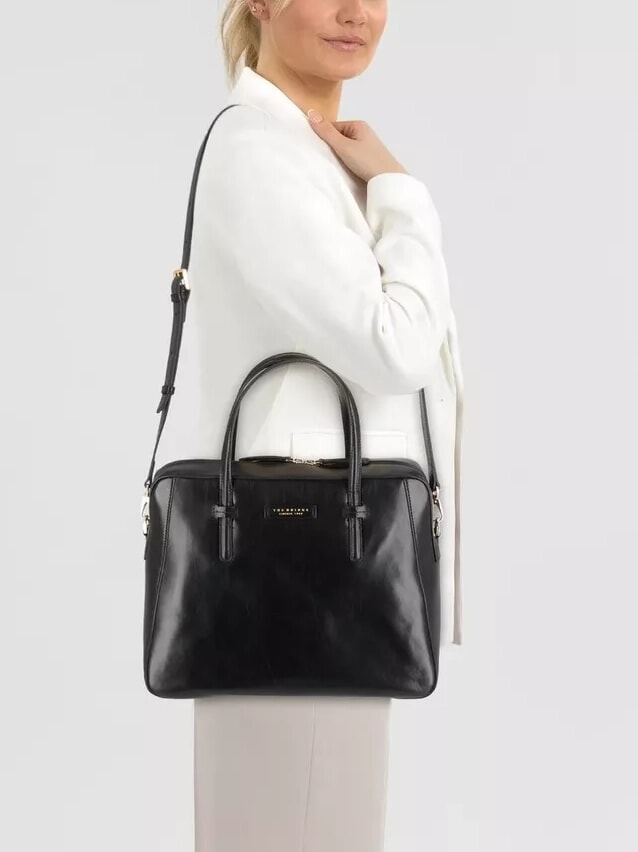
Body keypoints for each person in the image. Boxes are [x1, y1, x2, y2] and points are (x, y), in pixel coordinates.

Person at [184, 1, 465, 849]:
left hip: (325, 581)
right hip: (304, 585)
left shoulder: (304, 157)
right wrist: (402, 193)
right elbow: (396, 345)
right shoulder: (259, 155)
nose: (356, 13)